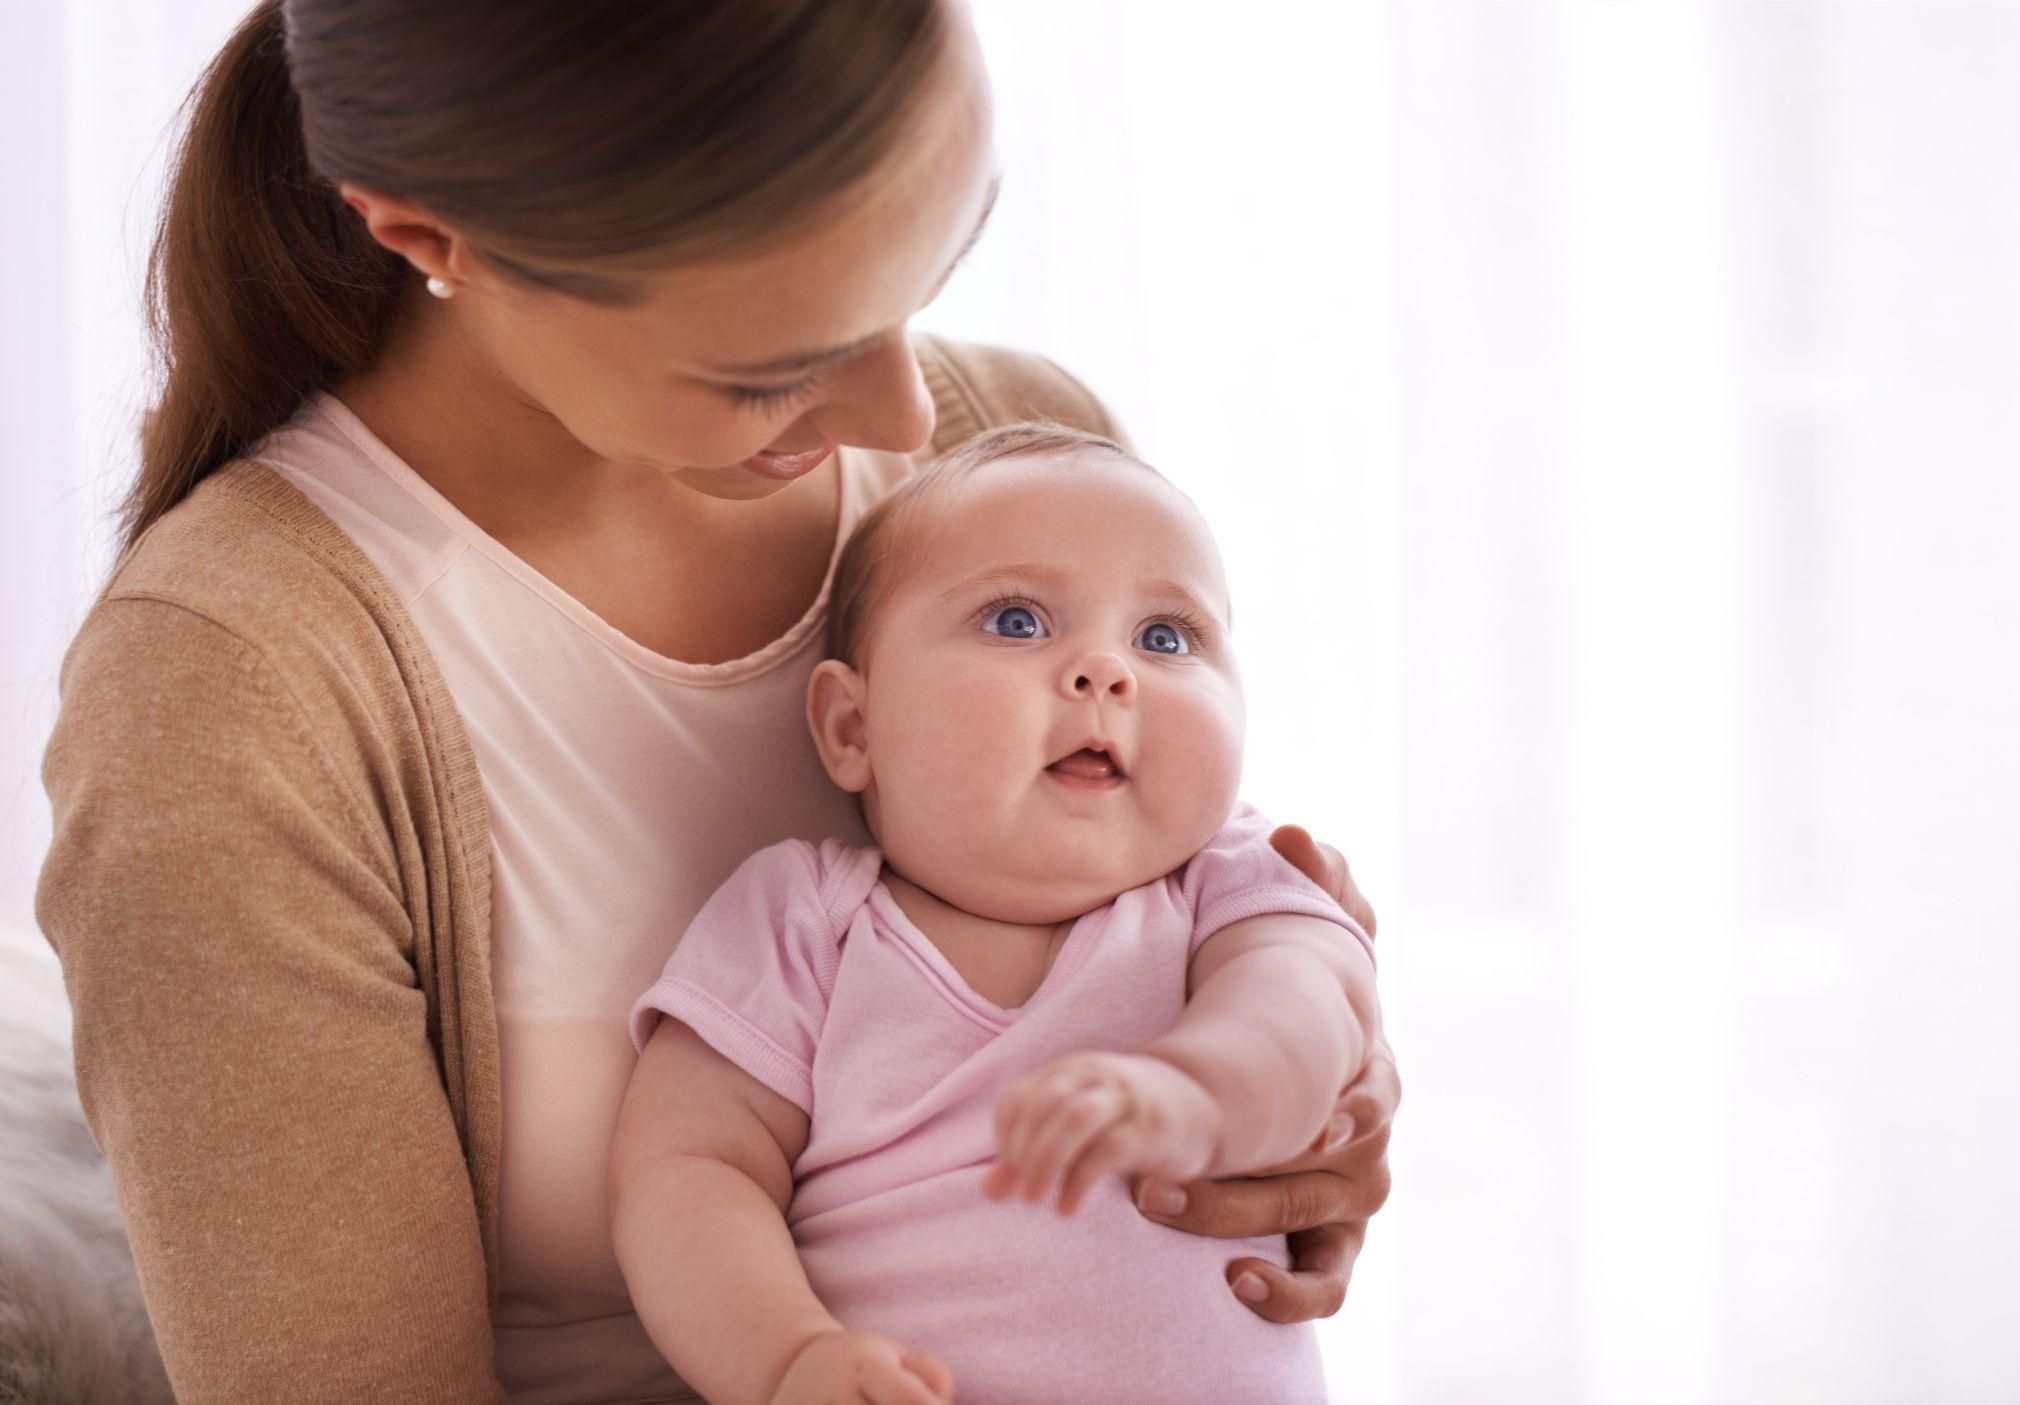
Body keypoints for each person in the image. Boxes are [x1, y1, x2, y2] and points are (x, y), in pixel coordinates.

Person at [34, 0, 1399, 1400]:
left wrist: (1305, 1098)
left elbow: (1202, 948)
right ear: (432, 237)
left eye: (934, 268)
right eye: (771, 374)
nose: (906, 421)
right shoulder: (234, 688)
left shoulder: (1022, 468)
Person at [612, 422, 1381, 1405]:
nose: (1106, 671)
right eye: (1016, 621)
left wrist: (1198, 1088)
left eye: (1164, 636)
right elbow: (687, 1172)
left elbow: (1307, 1011)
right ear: (854, 728)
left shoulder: (1228, 879)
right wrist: (786, 1358)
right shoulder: (807, 919)